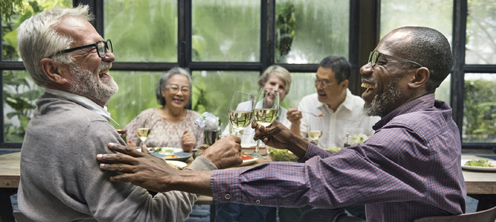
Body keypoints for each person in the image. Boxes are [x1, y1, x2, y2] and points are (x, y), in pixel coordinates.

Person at [97, 26, 467, 222]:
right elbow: (359, 168)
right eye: (370, 58)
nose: (366, 68)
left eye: (381, 61)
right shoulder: (437, 119)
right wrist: (297, 144)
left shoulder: (407, 138)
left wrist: (174, 177)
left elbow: (312, 182)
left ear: (417, 77)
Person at [16, 5, 242, 222]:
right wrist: (207, 162)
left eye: (104, 45)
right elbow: (150, 217)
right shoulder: (89, 128)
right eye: (94, 49)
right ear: (54, 70)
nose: (111, 56)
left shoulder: (43, 117)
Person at [218, 65, 292, 222]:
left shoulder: (285, 116)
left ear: (285, 93)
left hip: (265, 175)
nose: (275, 89)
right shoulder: (244, 108)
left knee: (253, 208)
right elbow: (227, 136)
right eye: (272, 83)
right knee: (228, 204)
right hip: (238, 170)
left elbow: (285, 152)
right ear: (263, 84)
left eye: (281, 87)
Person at [287, 56, 380, 150]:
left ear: (344, 85)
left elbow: (376, 148)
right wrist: (295, 123)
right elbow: (295, 148)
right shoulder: (307, 104)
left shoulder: (364, 109)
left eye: (324, 83)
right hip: (313, 163)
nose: (318, 87)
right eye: (317, 80)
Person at [124, 67, 202, 152]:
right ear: (163, 91)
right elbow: (123, 141)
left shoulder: (197, 120)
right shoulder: (147, 116)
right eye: (174, 88)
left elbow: (204, 155)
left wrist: (189, 150)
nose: (180, 93)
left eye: (185, 89)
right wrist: (129, 147)